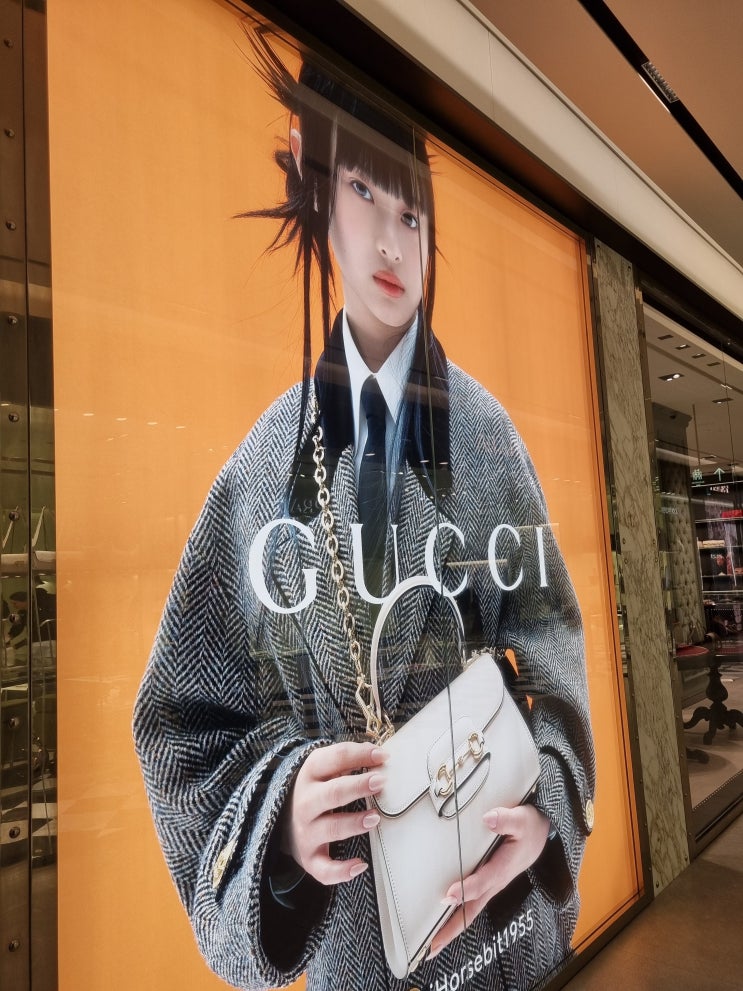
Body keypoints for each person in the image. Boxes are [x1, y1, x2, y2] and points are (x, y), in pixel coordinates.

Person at [133, 28, 595, 991]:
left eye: (412, 211)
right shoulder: (263, 466)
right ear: (314, 185)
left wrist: (544, 806)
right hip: (356, 940)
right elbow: (182, 719)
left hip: (499, 920)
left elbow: (549, 640)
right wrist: (283, 811)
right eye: (363, 192)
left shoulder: (486, 435)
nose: (391, 240)